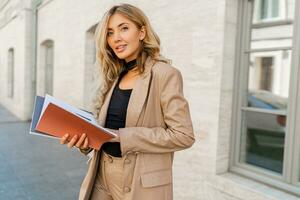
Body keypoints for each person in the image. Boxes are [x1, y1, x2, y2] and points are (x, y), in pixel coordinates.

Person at [60, 3, 195, 200]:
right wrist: (84, 142)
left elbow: (183, 135)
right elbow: (105, 132)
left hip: (140, 183)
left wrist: (122, 137)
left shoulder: (165, 74)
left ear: (142, 32)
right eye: (110, 32)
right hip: (102, 174)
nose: (116, 38)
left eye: (124, 28)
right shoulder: (114, 76)